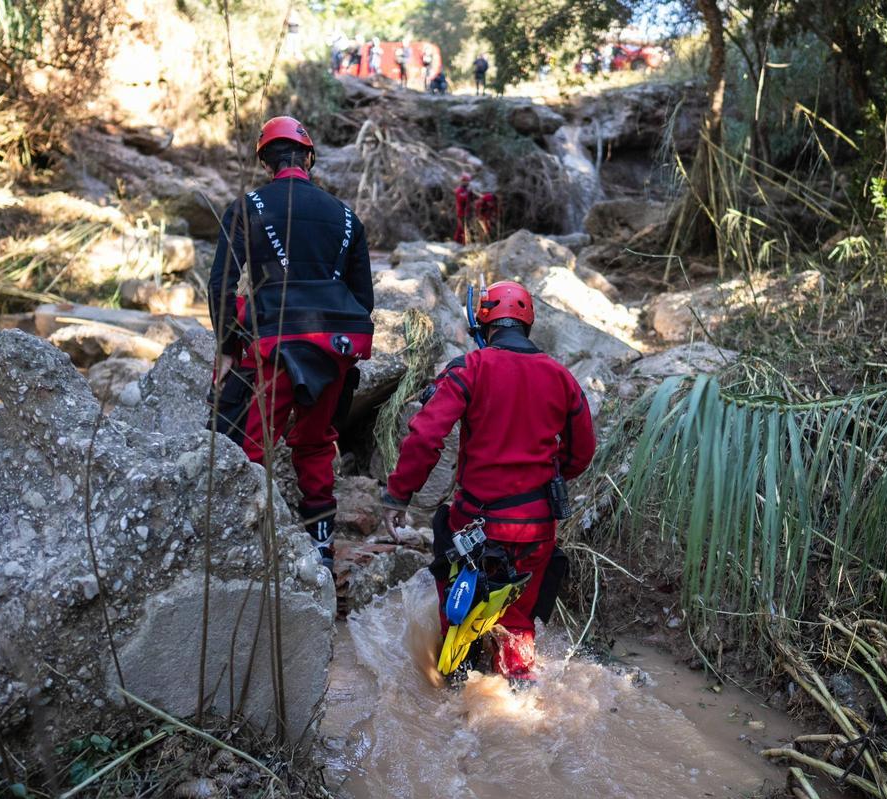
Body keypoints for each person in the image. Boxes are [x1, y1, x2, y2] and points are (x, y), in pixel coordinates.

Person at [380, 282, 596, 681]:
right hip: (536, 529)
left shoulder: (470, 368)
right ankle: (516, 695)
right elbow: (582, 452)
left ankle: (456, 694)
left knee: (458, 621)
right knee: (517, 625)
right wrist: (542, 483)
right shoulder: (561, 377)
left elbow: (427, 436)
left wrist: (398, 495)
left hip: (476, 526)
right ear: (527, 323)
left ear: (484, 321)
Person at [207, 116, 374, 574]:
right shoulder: (346, 216)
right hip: (337, 341)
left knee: (254, 447)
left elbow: (222, 283)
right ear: (309, 159)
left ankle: (254, 546)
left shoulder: (247, 207)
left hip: (276, 341)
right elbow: (364, 300)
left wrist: (227, 346)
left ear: (266, 161)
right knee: (317, 444)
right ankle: (321, 548)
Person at [453, 173, 473, 244]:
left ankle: (463, 242)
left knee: (465, 228)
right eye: (467, 181)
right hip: (461, 212)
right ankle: (457, 242)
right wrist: (468, 193)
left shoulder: (465, 190)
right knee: (461, 228)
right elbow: (462, 199)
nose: (468, 183)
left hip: (466, 212)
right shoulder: (460, 190)